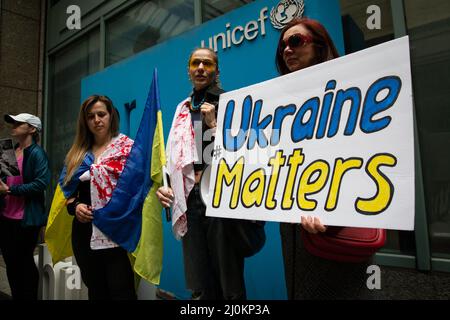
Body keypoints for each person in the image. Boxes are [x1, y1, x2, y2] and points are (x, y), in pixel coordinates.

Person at [276, 17, 382, 299]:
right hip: (294, 229)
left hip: (336, 228)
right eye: (283, 45)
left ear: (320, 46)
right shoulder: (277, 105)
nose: (287, 49)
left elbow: (368, 160)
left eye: (296, 41)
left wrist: (334, 210)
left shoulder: (351, 95)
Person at [156, 47, 266, 300]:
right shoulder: (182, 109)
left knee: (229, 282)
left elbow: (246, 153)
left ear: (217, 70)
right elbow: (176, 156)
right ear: (189, 70)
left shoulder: (231, 102)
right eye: (196, 63)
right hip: (189, 199)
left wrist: (215, 125)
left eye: (207, 63)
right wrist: (169, 185)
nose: (201, 68)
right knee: (200, 283)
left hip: (220, 196)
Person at [62, 95, 136, 300]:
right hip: (83, 233)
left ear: (111, 115)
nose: (97, 120)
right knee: (96, 291)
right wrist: (75, 207)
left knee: (123, 291)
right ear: (85, 121)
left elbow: (137, 188)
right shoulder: (77, 153)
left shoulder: (126, 147)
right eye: (90, 116)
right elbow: (67, 194)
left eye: (101, 114)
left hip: (113, 233)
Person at [0, 113, 50, 300]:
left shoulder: (37, 153)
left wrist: (11, 190)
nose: (13, 125)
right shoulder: (9, 151)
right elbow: (5, 181)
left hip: (25, 219)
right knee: (11, 264)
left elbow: (40, 184)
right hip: (6, 216)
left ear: (32, 129)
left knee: (24, 263)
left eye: (19, 123)